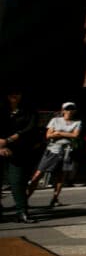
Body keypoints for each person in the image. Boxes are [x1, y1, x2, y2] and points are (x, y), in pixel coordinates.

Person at [26, 101, 81, 208]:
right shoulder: (55, 120)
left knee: (61, 176)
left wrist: (58, 133)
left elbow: (75, 135)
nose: (69, 111)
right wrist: (66, 135)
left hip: (67, 151)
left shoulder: (77, 122)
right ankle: (25, 199)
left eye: (72, 109)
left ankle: (55, 199)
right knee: (38, 174)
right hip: (52, 150)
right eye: (67, 109)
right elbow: (48, 135)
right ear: (63, 110)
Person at [1, 88, 38, 223]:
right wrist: (1, 145)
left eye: (17, 93)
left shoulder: (29, 111)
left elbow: (30, 129)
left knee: (17, 182)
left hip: (18, 151)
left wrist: (9, 140)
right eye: (11, 92)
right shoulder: (2, 110)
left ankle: (22, 212)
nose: (14, 95)